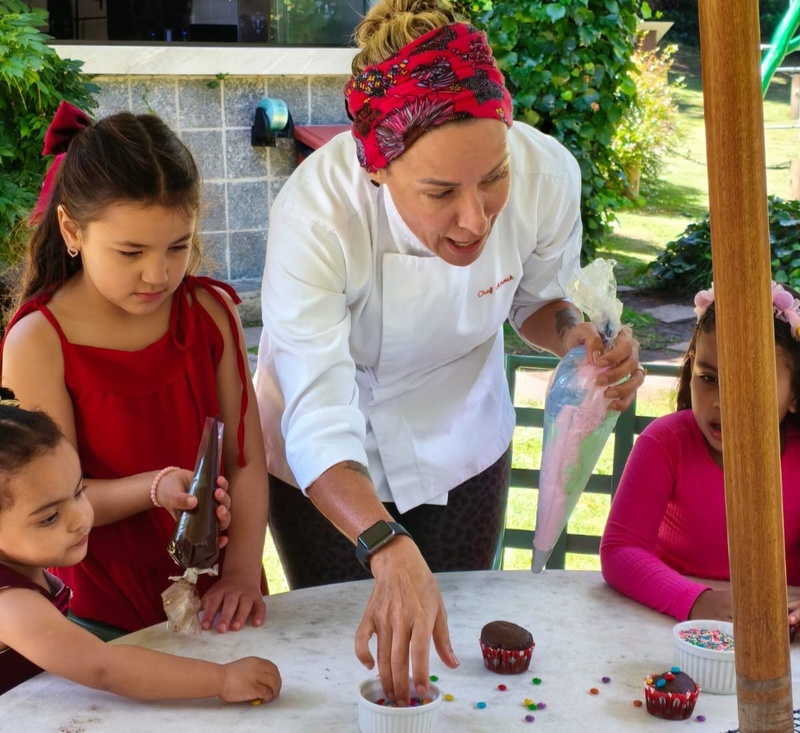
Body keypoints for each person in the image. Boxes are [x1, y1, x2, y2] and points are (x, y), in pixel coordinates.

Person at [254, 0, 643, 704]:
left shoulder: (547, 173)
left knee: (458, 648)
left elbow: (536, 301)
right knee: (347, 663)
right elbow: (316, 411)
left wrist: (574, 334)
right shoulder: (315, 213)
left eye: (493, 177)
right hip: (326, 469)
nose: (475, 218)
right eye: (440, 192)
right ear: (378, 168)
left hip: (462, 437)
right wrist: (380, 538)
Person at [0, 102, 269, 639]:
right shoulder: (39, 341)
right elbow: (47, 503)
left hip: (223, 599)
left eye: (178, 247)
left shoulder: (211, 313)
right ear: (72, 231)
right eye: (130, 252)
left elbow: (247, 459)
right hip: (100, 613)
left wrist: (241, 571)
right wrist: (155, 487)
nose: (158, 273)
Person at [0, 391, 282, 700]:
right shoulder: (10, 604)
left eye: (79, 491)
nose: (80, 519)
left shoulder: (23, 565)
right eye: (50, 517)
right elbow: (104, 668)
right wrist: (222, 680)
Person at [600, 281, 800, 625]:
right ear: (690, 371)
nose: (721, 402)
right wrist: (697, 602)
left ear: (794, 393)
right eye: (708, 378)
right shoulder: (665, 444)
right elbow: (620, 551)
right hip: (671, 625)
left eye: (749, 385)